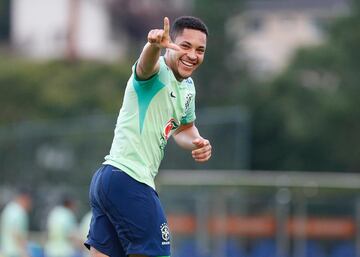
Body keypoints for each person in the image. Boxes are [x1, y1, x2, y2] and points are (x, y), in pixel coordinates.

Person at [85, 16, 212, 257]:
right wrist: (153, 45)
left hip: (109, 179)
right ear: (170, 43)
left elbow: (184, 129)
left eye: (200, 50)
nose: (193, 55)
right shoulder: (156, 71)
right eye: (185, 46)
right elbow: (145, 66)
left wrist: (198, 141)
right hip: (129, 178)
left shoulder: (188, 88)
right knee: (158, 252)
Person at [0, 188, 32, 257]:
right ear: (25, 199)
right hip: (16, 252)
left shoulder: (8, 209)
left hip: (5, 251)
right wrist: (25, 252)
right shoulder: (20, 212)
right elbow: (17, 233)